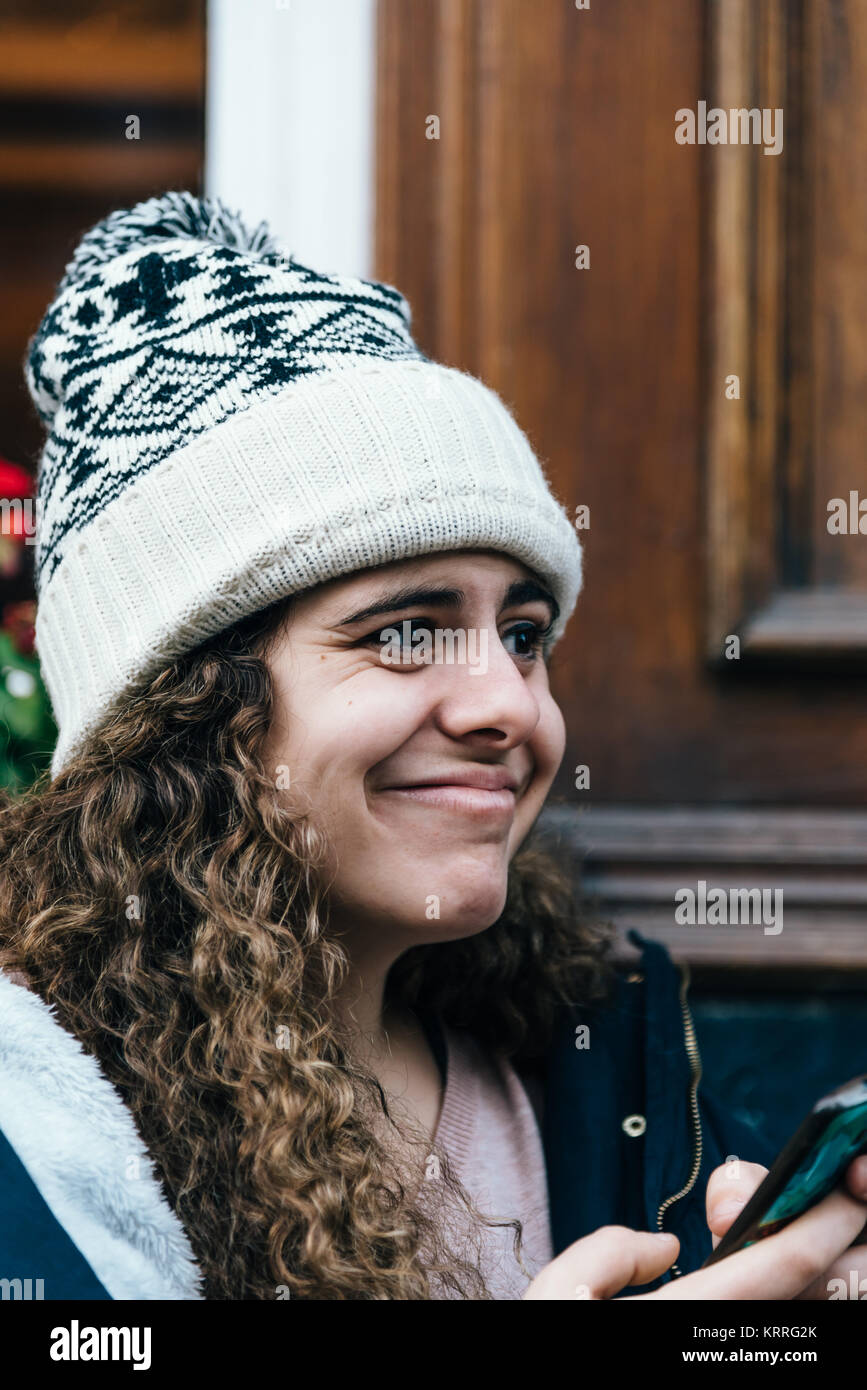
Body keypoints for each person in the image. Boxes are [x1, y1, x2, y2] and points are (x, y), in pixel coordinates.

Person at [0, 192, 864, 1301]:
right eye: (406, 633)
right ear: (183, 707)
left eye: (523, 634)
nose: (507, 704)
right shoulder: (42, 1121)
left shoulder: (590, 1048)